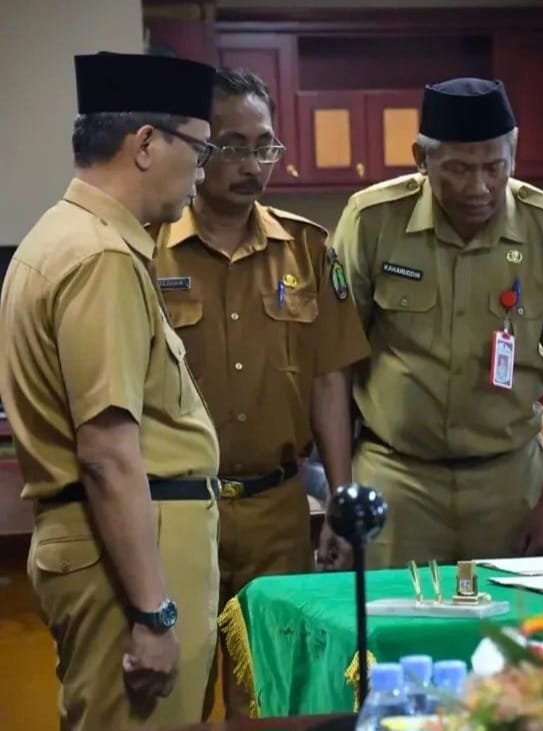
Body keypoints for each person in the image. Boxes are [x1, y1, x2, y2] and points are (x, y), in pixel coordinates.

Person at [0, 52, 220, 730]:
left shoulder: (60, 237)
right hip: (128, 558)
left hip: (113, 545)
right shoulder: (99, 256)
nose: (203, 173)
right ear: (147, 144)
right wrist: (153, 612)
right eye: (200, 150)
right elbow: (107, 452)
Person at [152, 67, 370, 718]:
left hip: (277, 510)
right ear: (198, 146)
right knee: (178, 702)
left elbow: (330, 379)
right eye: (232, 146)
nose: (252, 165)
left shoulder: (307, 248)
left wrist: (340, 497)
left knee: (274, 704)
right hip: (178, 510)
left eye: (264, 146)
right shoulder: (148, 248)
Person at [331, 78, 543, 568]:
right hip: (396, 480)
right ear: (421, 159)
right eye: (458, 169)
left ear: (514, 156)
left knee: (521, 617)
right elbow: (333, 364)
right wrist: (340, 494)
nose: (478, 187)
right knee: (387, 615)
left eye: (493, 168)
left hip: (510, 481)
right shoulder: (372, 220)